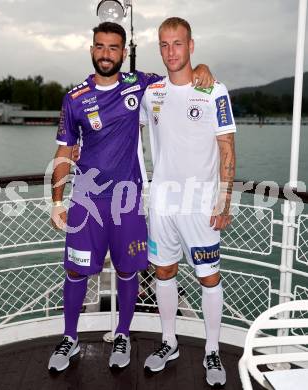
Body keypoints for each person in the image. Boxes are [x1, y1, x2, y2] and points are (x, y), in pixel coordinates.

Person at [48, 21, 214, 372]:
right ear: (91, 49)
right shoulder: (74, 98)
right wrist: (57, 201)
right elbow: (65, 151)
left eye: (113, 48)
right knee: (76, 273)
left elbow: (177, 74)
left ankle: (122, 333)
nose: (106, 54)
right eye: (100, 46)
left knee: (127, 271)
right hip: (87, 201)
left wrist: (202, 68)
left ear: (124, 53)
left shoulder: (139, 84)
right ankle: (70, 338)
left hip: (128, 200)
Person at [139, 17, 236, 387]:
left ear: (191, 45)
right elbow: (125, 122)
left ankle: (212, 349)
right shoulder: (152, 93)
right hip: (163, 202)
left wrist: (224, 199)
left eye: (177, 44)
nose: (170, 52)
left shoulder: (215, 90)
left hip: (200, 204)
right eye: (164, 44)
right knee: (163, 271)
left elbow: (227, 146)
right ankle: (169, 342)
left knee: (208, 277)